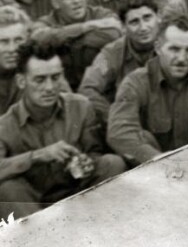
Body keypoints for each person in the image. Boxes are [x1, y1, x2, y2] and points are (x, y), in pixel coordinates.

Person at [0, 41, 126, 219]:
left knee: (112, 163)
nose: (50, 87)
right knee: (7, 189)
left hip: (77, 192)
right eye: (40, 79)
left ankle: (104, 228)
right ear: (21, 81)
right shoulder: (5, 126)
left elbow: (94, 152)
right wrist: (38, 155)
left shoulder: (80, 106)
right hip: (35, 204)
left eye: (56, 77)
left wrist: (85, 162)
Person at [106, 14, 188, 165]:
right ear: (158, 48)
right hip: (153, 171)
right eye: (174, 49)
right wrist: (157, 159)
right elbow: (119, 131)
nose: (182, 58)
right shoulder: (135, 83)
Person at [78, 0, 160, 127]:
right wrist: (116, 117)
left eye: (147, 18)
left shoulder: (172, 43)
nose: (143, 27)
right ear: (123, 27)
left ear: (158, 18)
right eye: (134, 22)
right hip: (128, 122)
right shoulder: (111, 53)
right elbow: (87, 89)